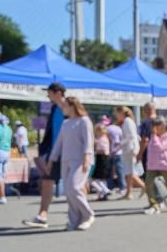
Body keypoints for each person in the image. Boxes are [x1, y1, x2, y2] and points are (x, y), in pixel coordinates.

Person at [46, 96, 95, 231]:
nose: (63, 108)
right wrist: (51, 159)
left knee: (74, 187)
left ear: (72, 106)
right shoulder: (66, 123)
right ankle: (74, 220)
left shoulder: (84, 121)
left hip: (80, 160)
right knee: (68, 191)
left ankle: (88, 214)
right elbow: (59, 143)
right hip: (66, 160)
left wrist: (87, 158)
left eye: (65, 106)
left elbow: (88, 142)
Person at [23, 82, 68, 228]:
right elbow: (52, 133)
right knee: (47, 181)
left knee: (76, 186)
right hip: (54, 152)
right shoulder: (54, 108)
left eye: (49, 92)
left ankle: (81, 214)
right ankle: (42, 215)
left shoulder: (69, 107)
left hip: (68, 151)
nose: (47, 95)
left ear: (58, 93)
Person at [114, 106, 145, 199]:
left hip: (130, 149)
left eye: (116, 113)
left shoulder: (127, 121)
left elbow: (131, 136)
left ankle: (144, 186)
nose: (116, 116)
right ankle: (129, 192)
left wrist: (120, 143)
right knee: (128, 171)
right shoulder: (128, 121)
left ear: (121, 113)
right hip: (129, 149)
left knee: (129, 171)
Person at [91, 123, 112, 200]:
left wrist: (96, 150)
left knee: (95, 178)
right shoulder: (104, 138)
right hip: (102, 158)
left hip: (102, 158)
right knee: (102, 178)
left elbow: (103, 150)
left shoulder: (102, 139)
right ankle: (101, 194)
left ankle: (105, 190)